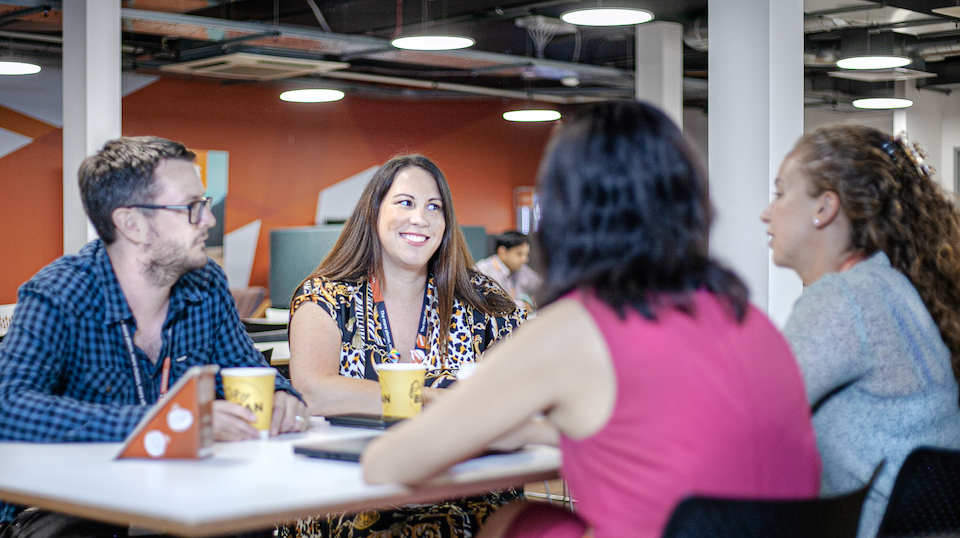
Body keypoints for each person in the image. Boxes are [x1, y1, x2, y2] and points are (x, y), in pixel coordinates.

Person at [361, 102, 822, 538]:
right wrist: (543, 433)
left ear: (565, 210)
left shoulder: (576, 328)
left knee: (517, 519)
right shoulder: (749, 319)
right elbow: (664, 439)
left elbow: (388, 464)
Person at [0, 136, 307, 536]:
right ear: (131, 223)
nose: (209, 220)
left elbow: (245, 369)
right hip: (73, 506)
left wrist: (283, 395)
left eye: (206, 204)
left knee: (253, 524)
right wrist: (162, 423)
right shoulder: (60, 293)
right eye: (192, 208)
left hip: (180, 492)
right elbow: (8, 408)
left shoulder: (205, 284)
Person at [285, 154, 526, 538]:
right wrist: (437, 398)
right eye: (405, 203)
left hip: (461, 478)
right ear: (374, 212)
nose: (420, 219)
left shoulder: (481, 300)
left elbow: (524, 384)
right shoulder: (327, 296)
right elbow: (315, 391)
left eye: (435, 207)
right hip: (351, 486)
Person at [760, 125, 960, 538]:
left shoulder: (844, 299)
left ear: (825, 208)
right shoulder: (891, 288)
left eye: (780, 193)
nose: (767, 212)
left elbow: (747, 417)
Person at [475, 231, 543, 311]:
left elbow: (541, 288)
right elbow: (491, 304)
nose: (525, 259)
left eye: (526, 255)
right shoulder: (482, 271)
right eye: (519, 254)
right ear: (502, 252)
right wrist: (523, 305)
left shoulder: (521, 269)